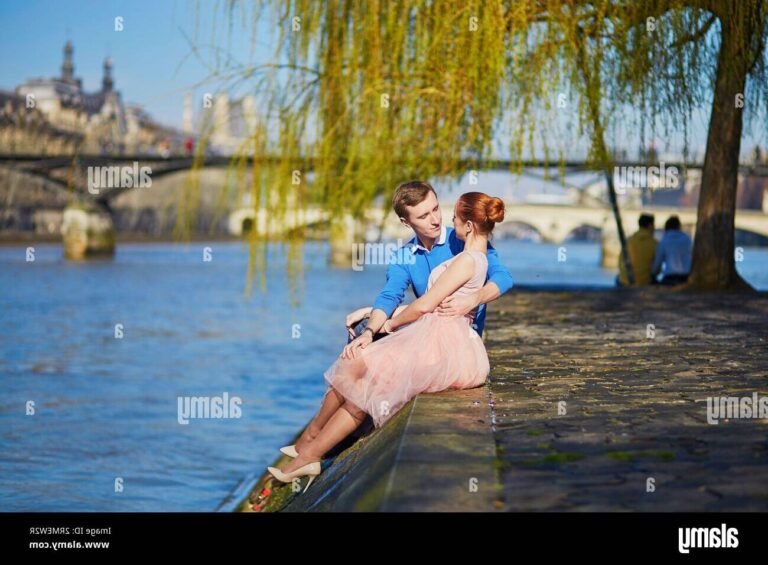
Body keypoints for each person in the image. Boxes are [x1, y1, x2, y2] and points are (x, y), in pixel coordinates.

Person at [266, 191, 508, 492]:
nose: (436, 219)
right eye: (423, 215)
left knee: (370, 377)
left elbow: (502, 278)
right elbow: (392, 295)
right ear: (405, 221)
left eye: (437, 209)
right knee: (356, 357)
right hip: (429, 329)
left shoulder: (464, 246)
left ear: (467, 223)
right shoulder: (406, 254)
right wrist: (371, 324)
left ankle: (310, 451)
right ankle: (311, 441)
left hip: (451, 342)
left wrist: (473, 298)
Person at [618, 213, 657, 286]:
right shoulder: (654, 243)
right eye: (654, 226)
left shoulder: (629, 240)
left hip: (626, 281)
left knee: (617, 278)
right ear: (650, 226)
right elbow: (657, 269)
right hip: (644, 282)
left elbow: (620, 261)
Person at [652, 215, 692, 285]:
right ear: (679, 227)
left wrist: (653, 274)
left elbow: (658, 262)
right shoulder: (687, 239)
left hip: (669, 277)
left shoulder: (664, 241)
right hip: (686, 276)